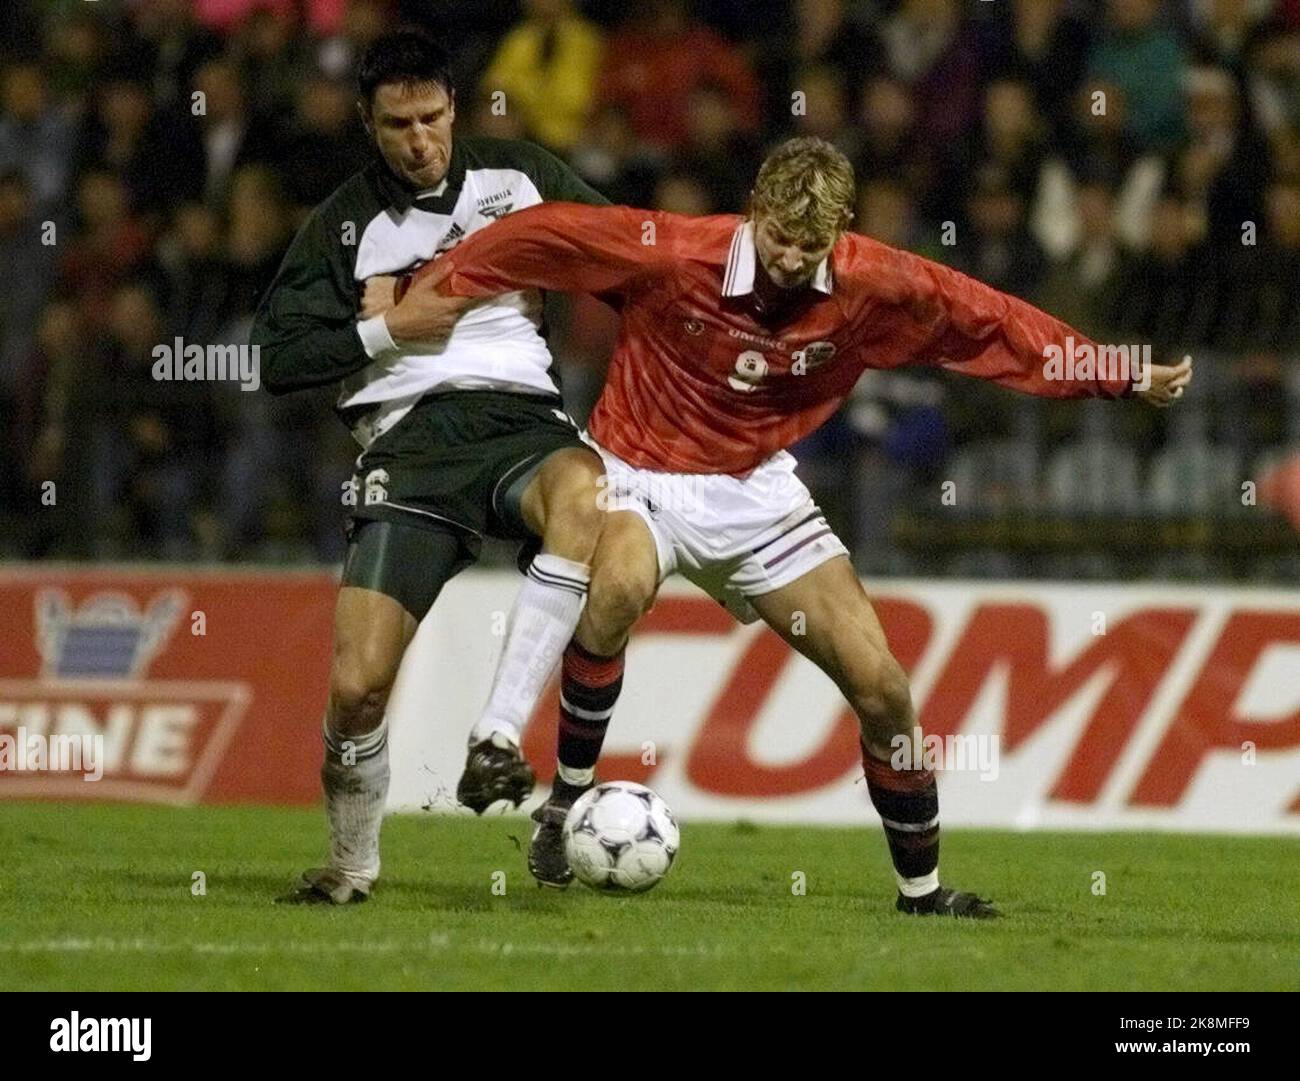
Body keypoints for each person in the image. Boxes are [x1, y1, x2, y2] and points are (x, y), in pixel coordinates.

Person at [400, 136, 1193, 917]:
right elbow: (545, 233)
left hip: (758, 494)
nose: (789, 257)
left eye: (809, 244)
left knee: (883, 689)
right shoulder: (674, 252)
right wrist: (436, 283)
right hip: (637, 471)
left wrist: (1107, 370)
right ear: (755, 213)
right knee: (617, 588)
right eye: (779, 237)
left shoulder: (872, 284)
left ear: (838, 235)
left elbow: (984, 320)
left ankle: (921, 893)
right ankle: (564, 802)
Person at [251, 28, 614, 905]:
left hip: (523, 419)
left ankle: (496, 733)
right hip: (410, 443)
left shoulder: (518, 177)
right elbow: (269, 356)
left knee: (587, 491)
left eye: (431, 117)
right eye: (397, 124)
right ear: (369, 127)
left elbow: (622, 248)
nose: (420, 140)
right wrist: (386, 330)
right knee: (359, 686)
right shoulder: (345, 224)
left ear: (456, 106)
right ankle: (350, 864)